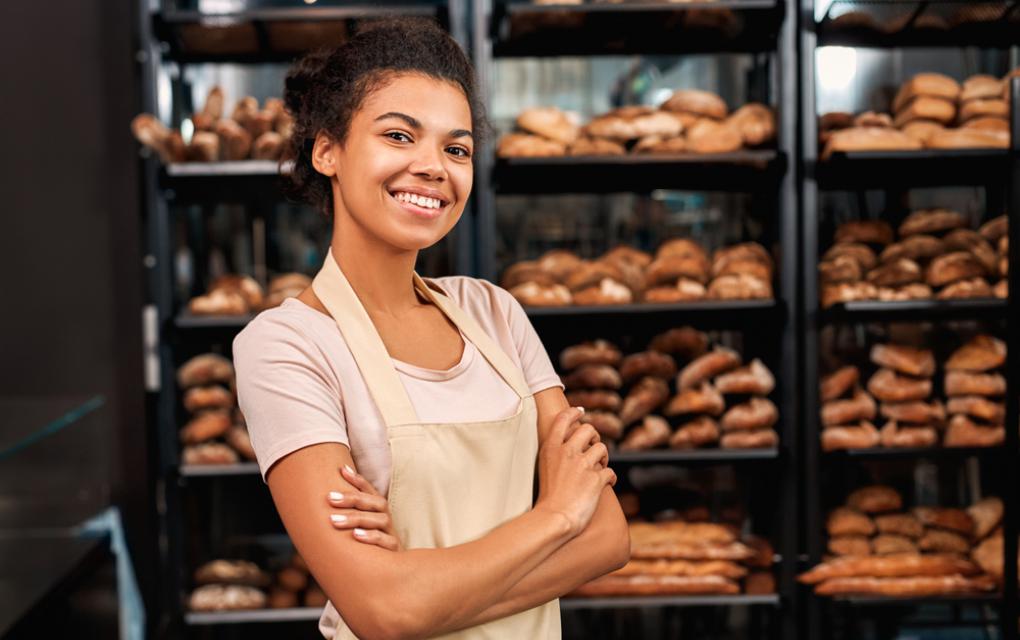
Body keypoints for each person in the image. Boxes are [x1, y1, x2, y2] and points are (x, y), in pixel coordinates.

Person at [233, 17, 629, 640]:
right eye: (398, 135)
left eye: (457, 148)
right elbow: (383, 612)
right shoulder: (286, 346)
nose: (433, 167)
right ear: (326, 149)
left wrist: (419, 582)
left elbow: (607, 537)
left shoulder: (494, 313)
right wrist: (555, 515)